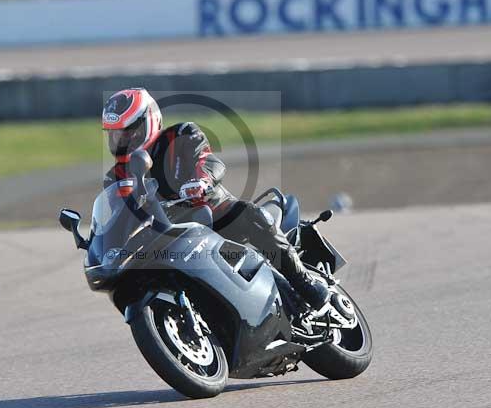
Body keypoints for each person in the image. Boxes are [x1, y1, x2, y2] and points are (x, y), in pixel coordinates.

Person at [101, 88, 330, 313]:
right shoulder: (116, 176)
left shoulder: (181, 134)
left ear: (149, 121)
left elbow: (208, 161)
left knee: (250, 214)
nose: (122, 140)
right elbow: (119, 214)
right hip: (167, 238)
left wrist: (200, 182)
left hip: (215, 215)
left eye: (128, 131)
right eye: (114, 133)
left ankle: (304, 282)